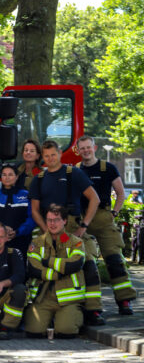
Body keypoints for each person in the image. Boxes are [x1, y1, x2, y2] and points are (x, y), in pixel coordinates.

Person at [28, 139, 104, 326]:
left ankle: (93, 310)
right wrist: (47, 231)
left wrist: (84, 226)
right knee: (37, 265)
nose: (50, 159)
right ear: (42, 157)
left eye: (53, 154)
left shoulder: (74, 174)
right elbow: (35, 210)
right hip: (47, 228)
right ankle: (41, 307)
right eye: (46, 156)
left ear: (60, 153)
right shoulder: (39, 179)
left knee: (88, 263)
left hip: (71, 228)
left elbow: (94, 199)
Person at [76, 135, 137, 315]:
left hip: (103, 217)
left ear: (94, 148)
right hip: (83, 218)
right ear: (78, 151)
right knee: (88, 263)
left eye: (88, 147)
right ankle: (93, 307)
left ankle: (124, 300)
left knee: (114, 259)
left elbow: (120, 193)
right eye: (82, 148)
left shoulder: (108, 168)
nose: (86, 150)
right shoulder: (76, 170)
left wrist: (114, 213)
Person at [24, 204, 86, 338]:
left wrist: (46, 262)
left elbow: (74, 264)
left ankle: (69, 317)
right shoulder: (37, 242)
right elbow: (33, 268)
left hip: (67, 299)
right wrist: (59, 272)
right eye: (49, 220)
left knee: (66, 332)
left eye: (56, 220)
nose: (52, 224)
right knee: (33, 332)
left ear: (64, 221)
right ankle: (50, 320)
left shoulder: (76, 242)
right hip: (43, 297)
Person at [0, 163, 36, 260]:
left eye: (10, 174)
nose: (7, 177)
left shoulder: (26, 195)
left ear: (17, 177)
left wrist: (18, 232)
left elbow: (32, 219)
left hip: (19, 240)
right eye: (4, 175)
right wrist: (2, 229)